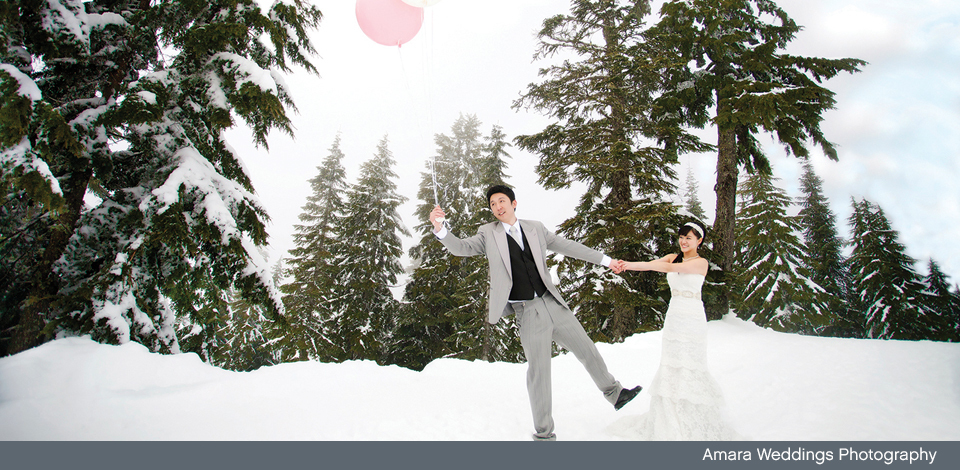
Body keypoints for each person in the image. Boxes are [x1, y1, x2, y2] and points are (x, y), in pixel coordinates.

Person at [429, 185, 642, 441]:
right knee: (539, 373)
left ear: (513, 203)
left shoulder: (536, 228)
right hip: (527, 311)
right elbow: (460, 247)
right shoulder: (487, 234)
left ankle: (616, 394)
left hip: (552, 303)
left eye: (501, 201)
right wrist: (441, 229)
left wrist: (607, 261)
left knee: (587, 349)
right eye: (493, 204)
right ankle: (544, 435)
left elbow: (569, 246)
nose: (497, 206)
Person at [608, 222, 738, 440]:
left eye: (689, 237)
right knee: (671, 363)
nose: (684, 241)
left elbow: (670, 269)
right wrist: (625, 265)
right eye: (681, 237)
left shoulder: (701, 262)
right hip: (675, 315)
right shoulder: (671, 257)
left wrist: (657, 265)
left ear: (699, 240)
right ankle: (668, 416)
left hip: (693, 317)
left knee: (691, 364)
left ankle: (693, 417)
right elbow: (649, 265)